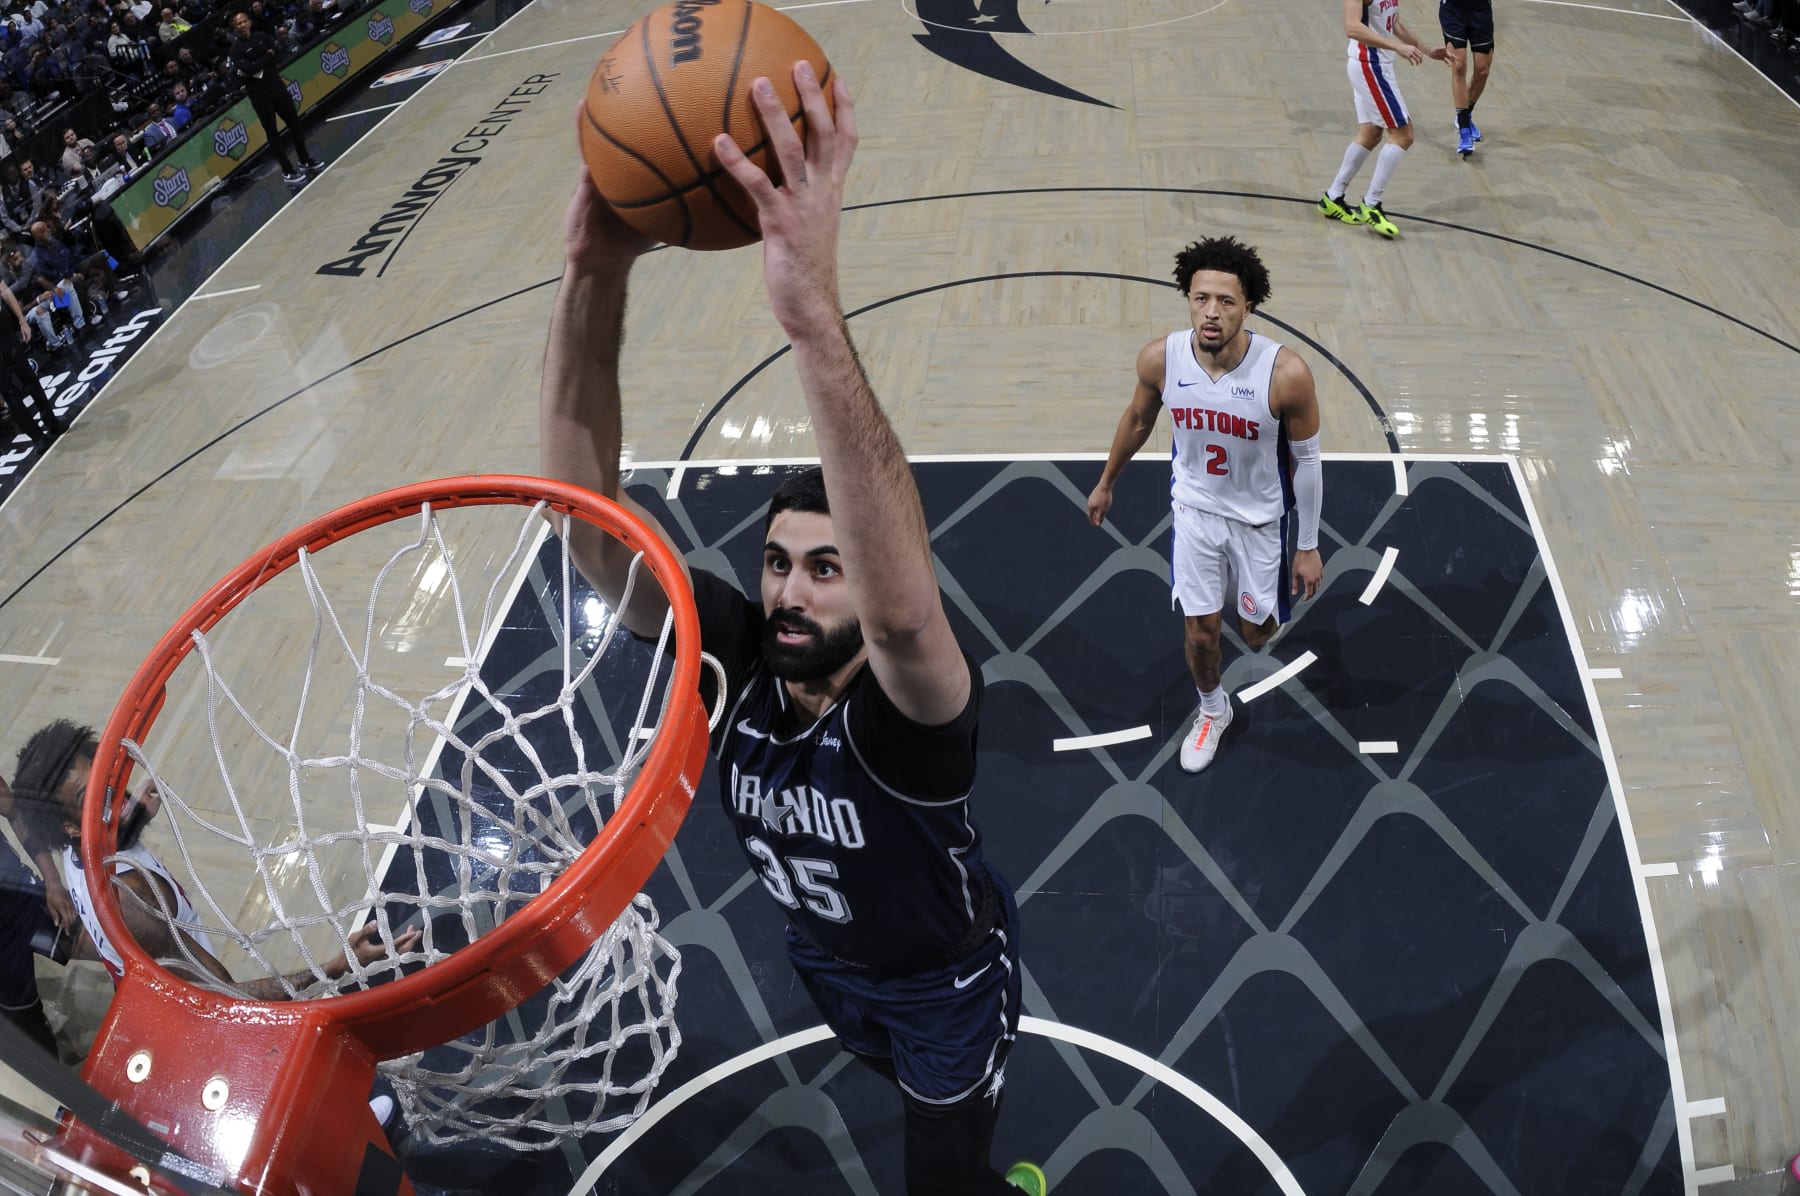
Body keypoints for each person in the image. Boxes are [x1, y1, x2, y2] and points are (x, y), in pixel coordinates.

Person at [539, 64, 1045, 1196]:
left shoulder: (913, 717)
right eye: (777, 564)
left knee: (946, 1181)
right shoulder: (738, 660)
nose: (790, 592)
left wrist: (812, 314)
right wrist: (590, 274)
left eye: (827, 569)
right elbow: (590, 535)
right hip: (824, 958)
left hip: (945, 984)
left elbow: (904, 613)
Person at [1086, 237, 1324, 774]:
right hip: (1195, 512)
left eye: (1225, 301)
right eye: (1201, 299)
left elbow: (1307, 462)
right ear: (1188, 299)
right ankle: (1214, 710)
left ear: (1248, 306)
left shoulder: (1285, 374)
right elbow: (1138, 420)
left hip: (1259, 520)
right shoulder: (1161, 359)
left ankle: (1251, 603)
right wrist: (1106, 482)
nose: (1211, 312)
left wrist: (1307, 546)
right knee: (1200, 631)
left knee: (1256, 634)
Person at [10, 720, 421, 999]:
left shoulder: (79, 859)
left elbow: (104, 831)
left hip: (147, 988)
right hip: (193, 1017)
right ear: (72, 827)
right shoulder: (135, 902)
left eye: (104, 775)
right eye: (90, 797)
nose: (112, 792)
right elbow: (226, 997)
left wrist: (134, 818)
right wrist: (336, 966)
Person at [1317, 0, 1451, 238]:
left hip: (1375, 65)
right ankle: (1371, 204)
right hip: (1370, 67)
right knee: (1403, 135)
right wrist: (1396, 47)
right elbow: (1352, 27)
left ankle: (1333, 197)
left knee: (1370, 133)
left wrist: (1427, 49)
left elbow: (1393, 20)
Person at [225, 9, 320, 186]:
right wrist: (265, 57)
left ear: (249, 22)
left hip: (276, 85)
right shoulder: (235, 50)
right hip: (259, 94)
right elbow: (249, 69)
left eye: (244, 21)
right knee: (273, 133)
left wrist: (260, 61)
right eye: (238, 24)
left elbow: (277, 55)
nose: (242, 25)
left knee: (295, 123)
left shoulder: (261, 36)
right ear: (234, 28)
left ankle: (305, 160)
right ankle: (288, 171)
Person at [0, 273, 64, 444]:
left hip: (4, 331)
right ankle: (38, 439)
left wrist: (22, 320)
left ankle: (53, 423)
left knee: (30, 379)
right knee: (10, 394)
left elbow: (6, 293)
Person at [1439, 0, 1491, 155]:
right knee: (1459, 67)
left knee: (1482, 71)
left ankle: (1466, 115)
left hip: (1481, 10)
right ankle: (1464, 130)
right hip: (1453, 10)